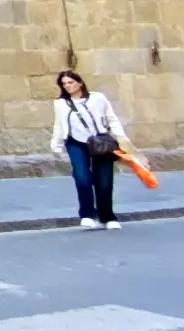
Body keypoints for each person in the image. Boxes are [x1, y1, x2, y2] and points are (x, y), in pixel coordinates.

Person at [52, 70, 141, 230]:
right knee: (82, 178)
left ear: (79, 83)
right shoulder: (60, 104)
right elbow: (59, 125)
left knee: (104, 181)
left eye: (70, 82)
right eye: (64, 84)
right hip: (75, 143)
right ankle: (87, 214)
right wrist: (56, 145)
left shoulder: (97, 98)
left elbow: (111, 118)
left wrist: (121, 138)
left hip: (100, 142)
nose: (68, 86)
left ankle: (107, 217)